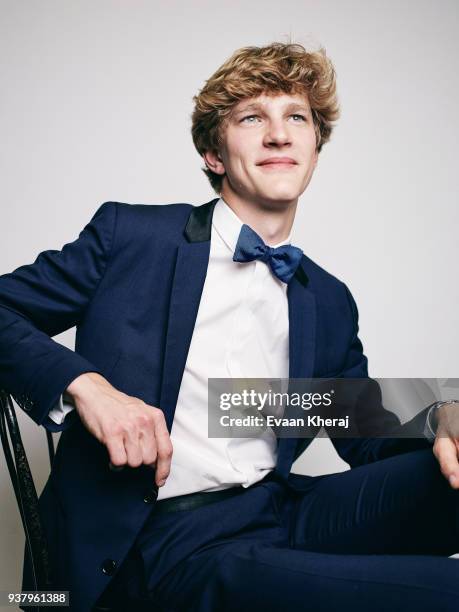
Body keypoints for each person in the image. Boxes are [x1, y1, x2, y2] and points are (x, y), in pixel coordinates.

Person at [1, 42, 459, 612]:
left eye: (296, 117)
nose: (279, 134)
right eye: (252, 118)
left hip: (279, 509)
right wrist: (86, 385)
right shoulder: (132, 239)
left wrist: (441, 417)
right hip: (156, 541)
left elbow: (362, 429)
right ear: (214, 154)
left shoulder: (327, 299)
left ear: (315, 147)